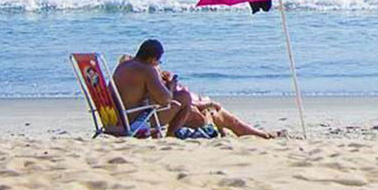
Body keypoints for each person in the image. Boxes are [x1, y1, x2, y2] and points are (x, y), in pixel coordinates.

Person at [114, 40, 280, 138]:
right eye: (158, 62)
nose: (157, 65)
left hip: (123, 117)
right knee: (185, 96)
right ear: (151, 59)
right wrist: (171, 85)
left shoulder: (125, 66)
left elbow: (144, 95)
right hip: (136, 121)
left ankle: (258, 134)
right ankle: (172, 135)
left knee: (204, 107)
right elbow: (165, 99)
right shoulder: (146, 69)